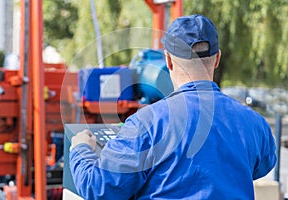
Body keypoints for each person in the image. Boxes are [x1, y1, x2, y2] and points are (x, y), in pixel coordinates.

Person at [69, 14, 277, 199]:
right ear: (217, 59)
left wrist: (81, 149)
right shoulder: (254, 122)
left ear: (168, 60)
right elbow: (263, 165)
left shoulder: (147, 124)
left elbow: (97, 188)